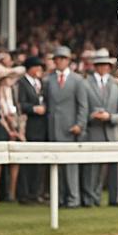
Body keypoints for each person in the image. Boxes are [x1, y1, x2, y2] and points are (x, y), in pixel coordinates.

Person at [80, 51, 118, 207]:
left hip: (112, 134)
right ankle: (91, 200)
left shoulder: (116, 85)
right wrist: (92, 116)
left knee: (116, 169)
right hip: (93, 132)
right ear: (95, 66)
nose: (103, 67)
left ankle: (114, 199)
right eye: (100, 64)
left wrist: (110, 117)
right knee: (92, 169)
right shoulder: (85, 84)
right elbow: (81, 111)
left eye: (106, 65)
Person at [43, 46, 85, 207]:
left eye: (62, 58)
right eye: (57, 59)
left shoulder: (77, 80)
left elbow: (83, 105)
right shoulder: (48, 80)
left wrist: (79, 124)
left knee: (71, 166)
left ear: (68, 60)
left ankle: (73, 199)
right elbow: (47, 103)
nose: (59, 61)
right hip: (53, 128)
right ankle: (59, 199)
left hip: (71, 129)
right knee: (57, 167)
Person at [15, 55, 47, 203]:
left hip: (41, 126)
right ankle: (24, 194)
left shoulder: (39, 82)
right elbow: (20, 104)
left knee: (39, 163)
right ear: (30, 68)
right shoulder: (22, 83)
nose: (39, 70)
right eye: (37, 67)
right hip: (28, 126)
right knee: (27, 162)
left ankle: (36, 192)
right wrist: (34, 109)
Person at [0, 64, 24, 204]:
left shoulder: (11, 91)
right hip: (0, 127)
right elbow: (0, 114)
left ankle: (12, 192)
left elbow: (16, 111)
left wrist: (17, 130)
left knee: (15, 160)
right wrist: (9, 129)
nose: (8, 80)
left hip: (14, 127)